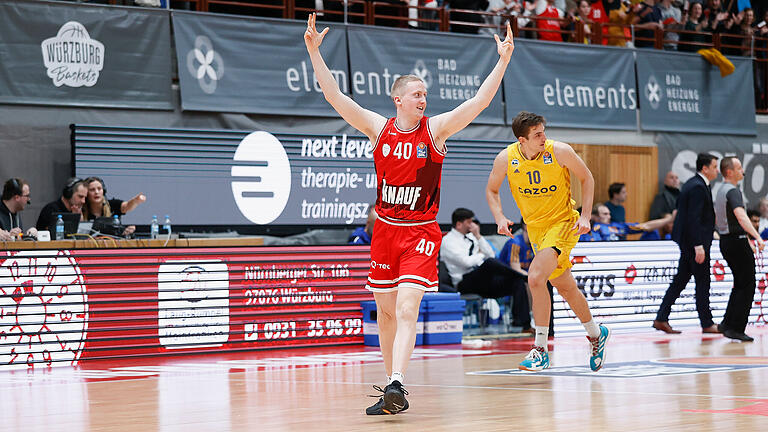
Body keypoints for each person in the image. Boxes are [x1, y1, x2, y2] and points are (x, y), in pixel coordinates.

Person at [304, 13, 514, 414]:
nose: (423, 99)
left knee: (405, 308)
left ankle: (398, 381)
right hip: (385, 231)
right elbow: (334, 96)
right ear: (398, 98)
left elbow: (479, 102)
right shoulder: (378, 128)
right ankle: (391, 390)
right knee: (385, 312)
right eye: (416, 94)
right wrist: (314, 51)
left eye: (425, 94)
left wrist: (502, 60)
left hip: (420, 232)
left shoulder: (434, 131)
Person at [486, 111, 610, 372]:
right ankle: (596, 333)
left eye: (544, 131)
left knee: (534, 278)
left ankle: (540, 349)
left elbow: (587, 178)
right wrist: (499, 217)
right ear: (522, 140)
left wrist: (586, 216)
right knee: (565, 287)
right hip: (535, 230)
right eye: (537, 135)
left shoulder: (560, 151)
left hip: (563, 224)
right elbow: (492, 189)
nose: (544, 137)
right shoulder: (506, 158)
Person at [653, 153, 720, 335]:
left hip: (689, 242)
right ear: (705, 168)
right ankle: (707, 323)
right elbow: (693, 218)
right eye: (715, 167)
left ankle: (661, 318)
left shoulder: (693, 184)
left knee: (680, 281)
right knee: (702, 282)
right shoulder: (698, 186)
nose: (717, 170)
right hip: (694, 244)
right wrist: (698, 245)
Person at [441, 208, 532, 332]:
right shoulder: (448, 241)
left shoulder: (472, 237)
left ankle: (523, 325)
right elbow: (466, 262)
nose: (472, 225)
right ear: (458, 224)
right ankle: (524, 276)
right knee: (489, 264)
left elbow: (491, 254)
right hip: (464, 282)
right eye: (469, 222)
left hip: (482, 280)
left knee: (517, 282)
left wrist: (478, 236)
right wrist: (481, 256)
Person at [714, 156, 764, 342]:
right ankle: (736, 328)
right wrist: (756, 236)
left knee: (740, 283)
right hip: (737, 240)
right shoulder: (732, 192)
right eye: (739, 168)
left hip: (726, 241)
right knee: (748, 283)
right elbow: (741, 216)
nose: (743, 171)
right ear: (729, 172)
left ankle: (727, 324)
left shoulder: (720, 191)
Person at [497, 220, 556, 336]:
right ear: (526, 227)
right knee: (528, 283)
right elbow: (515, 268)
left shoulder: (537, 244)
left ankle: (547, 324)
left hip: (527, 277)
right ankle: (525, 323)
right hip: (507, 278)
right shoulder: (515, 242)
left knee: (545, 283)